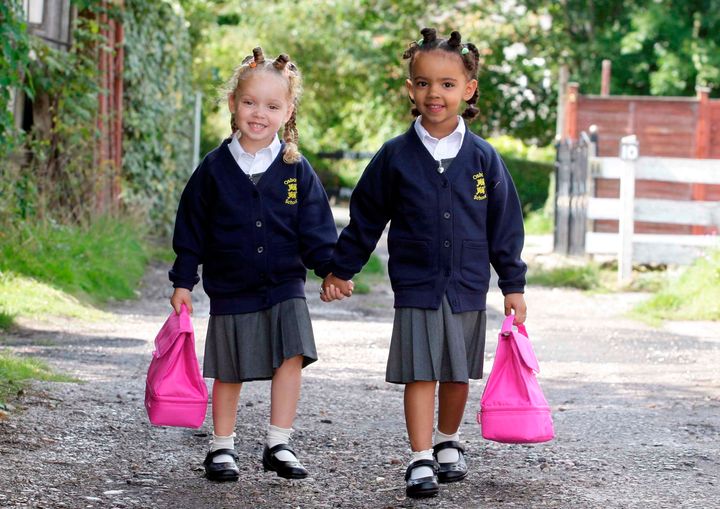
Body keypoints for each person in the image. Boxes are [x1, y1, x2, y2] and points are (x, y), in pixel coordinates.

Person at [321, 28, 528, 498]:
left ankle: (447, 441)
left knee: (456, 373)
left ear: (468, 89)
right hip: (415, 283)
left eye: (447, 84)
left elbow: (505, 225)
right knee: (421, 371)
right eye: (423, 82)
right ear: (410, 88)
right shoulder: (395, 157)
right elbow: (365, 217)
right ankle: (419, 458)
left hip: (468, 285)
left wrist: (512, 283)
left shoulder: (483, 158)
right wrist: (342, 269)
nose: (435, 93)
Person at [169, 47, 338, 482]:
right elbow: (191, 229)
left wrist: (330, 270)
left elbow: (316, 226)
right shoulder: (213, 170)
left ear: (287, 111)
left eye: (271, 105)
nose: (259, 113)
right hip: (231, 285)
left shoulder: (295, 169)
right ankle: (221, 446)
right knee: (230, 367)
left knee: (291, 356)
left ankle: (278, 442)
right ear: (232, 104)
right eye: (249, 102)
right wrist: (184, 280)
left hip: (284, 283)